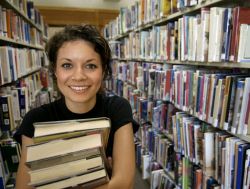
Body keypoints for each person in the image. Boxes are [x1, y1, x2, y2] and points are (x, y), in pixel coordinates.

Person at [14, 24, 135, 189]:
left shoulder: (117, 109)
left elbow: (123, 184)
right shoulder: (35, 120)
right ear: (55, 71)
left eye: (90, 65)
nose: (79, 76)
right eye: (67, 65)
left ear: (103, 71)